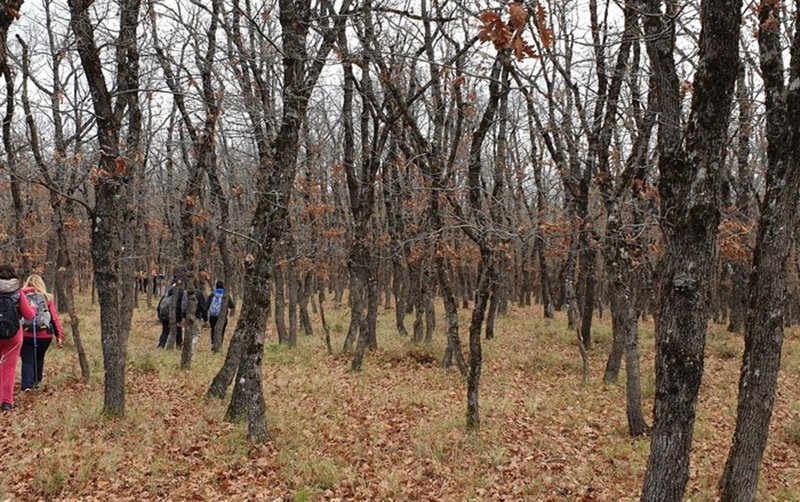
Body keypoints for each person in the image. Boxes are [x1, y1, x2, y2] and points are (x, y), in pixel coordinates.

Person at [20, 274, 65, 391]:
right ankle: (36, 381)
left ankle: (27, 385)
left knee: (27, 360)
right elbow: (54, 318)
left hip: (25, 334)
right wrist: (59, 335)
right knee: (39, 357)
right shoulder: (47, 298)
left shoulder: (22, 296)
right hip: (45, 335)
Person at [0, 265, 35, 410]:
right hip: (13, 337)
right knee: (8, 368)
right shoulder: (18, 293)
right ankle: (6, 401)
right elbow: (29, 315)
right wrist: (33, 307)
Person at [206, 280, 235, 353]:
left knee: (213, 329)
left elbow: (206, 306)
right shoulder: (226, 295)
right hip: (222, 317)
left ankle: (213, 343)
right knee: (221, 331)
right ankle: (219, 344)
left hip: (213, 316)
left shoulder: (212, 295)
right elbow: (232, 306)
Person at [157, 280, 186, 348]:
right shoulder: (181, 293)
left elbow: (159, 305)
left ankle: (161, 345)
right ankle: (178, 346)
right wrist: (181, 317)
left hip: (165, 315)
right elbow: (181, 306)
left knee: (165, 331)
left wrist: (160, 316)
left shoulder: (167, 293)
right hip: (176, 316)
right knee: (178, 331)